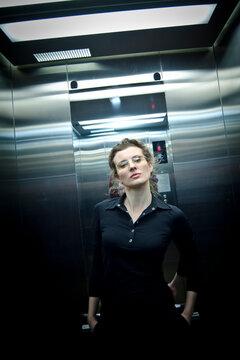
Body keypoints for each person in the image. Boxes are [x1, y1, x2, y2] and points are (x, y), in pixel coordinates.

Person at [87, 138, 198, 353]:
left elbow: (192, 260)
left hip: (160, 318)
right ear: (117, 176)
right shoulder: (102, 211)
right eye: (123, 164)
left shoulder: (172, 215)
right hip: (113, 320)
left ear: (149, 164)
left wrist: (187, 313)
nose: (132, 166)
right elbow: (97, 265)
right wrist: (92, 316)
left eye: (137, 159)